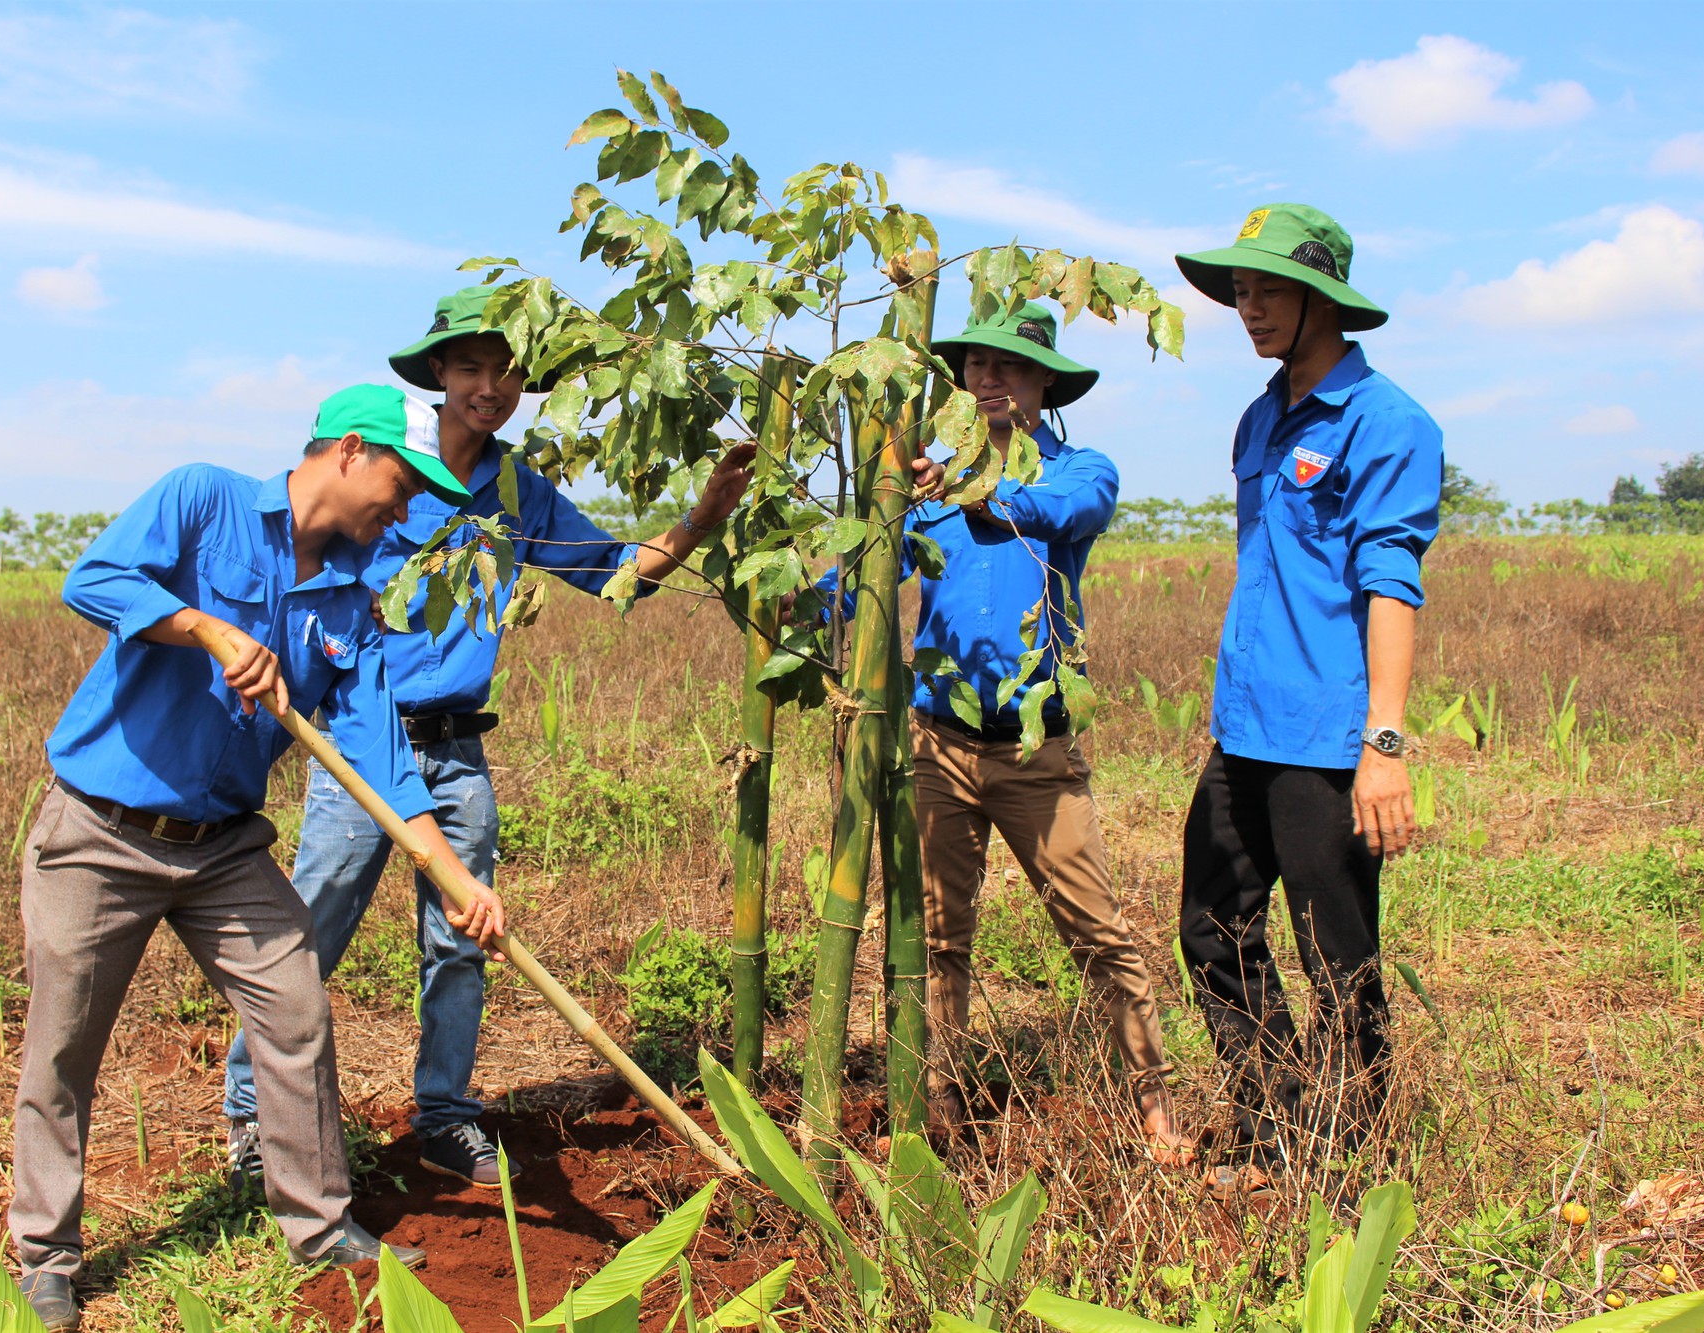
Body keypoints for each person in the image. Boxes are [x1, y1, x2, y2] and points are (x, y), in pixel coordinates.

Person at [222, 285, 754, 1190]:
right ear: (438, 372)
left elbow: (619, 577)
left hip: (459, 749)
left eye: (508, 374)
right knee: (314, 930)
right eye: (472, 367)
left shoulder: (520, 492)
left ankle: (446, 1116)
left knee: (462, 939)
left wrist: (703, 514)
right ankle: (250, 1113)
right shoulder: (383, 470)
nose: (491, 388)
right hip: (362, 746)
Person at [10, 384, 507, 1331]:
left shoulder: (354, 605)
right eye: (403, 487)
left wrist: (453, 877)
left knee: (294, 1006)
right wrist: (201, 624)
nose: (404, 512)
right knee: (64, 1046)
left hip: (225, 847)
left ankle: (320, 1227)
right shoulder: (206, 499)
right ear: (352, 451)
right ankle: (47, 1256)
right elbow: (96, 578)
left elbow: (383, 767)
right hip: (101, 834)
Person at [827, 301, 1189, 1162]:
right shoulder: (922, 489)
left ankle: (1155, 1108)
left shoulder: (1080, 473)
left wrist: (956, 485)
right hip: (937, 743)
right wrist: (807, 604)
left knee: (1099, 933)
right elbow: (861, 584)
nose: (988, 380)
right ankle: (937, 1097)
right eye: (975, 367)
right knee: (936, 935)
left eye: (1010, 367)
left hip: (1036, 750)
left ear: (1043, 385)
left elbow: (1046, 514)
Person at [1172, 204, 1442, 1190]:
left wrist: (1383, 742)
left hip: (1327, 739)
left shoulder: (1388, 424)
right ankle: (1269, 1123)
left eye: (1266, 288)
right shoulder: (1258, 418)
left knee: (1337, 961)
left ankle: (1348, 1162)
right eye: (1239, 290)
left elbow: (1389, 583)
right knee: (1209, 929)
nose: (1248, 307)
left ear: (1321, 298)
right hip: (1243, 724)